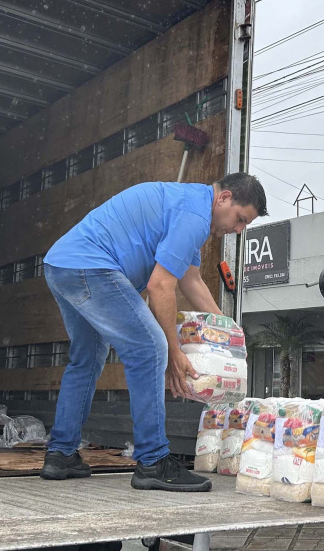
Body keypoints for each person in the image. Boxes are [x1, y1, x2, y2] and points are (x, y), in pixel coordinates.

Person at [40, 173, 267, 492]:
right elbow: (160, 286)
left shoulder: (188, 207)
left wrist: (228, 331)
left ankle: (61, 454)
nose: (239, 230)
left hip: (62, 266)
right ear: (224, 198)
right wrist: (174, 355)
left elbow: (191, 280)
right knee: (149, 349)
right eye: (240, 219)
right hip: (91, 267)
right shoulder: (194, 215)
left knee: (88, 359)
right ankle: (152, 461)